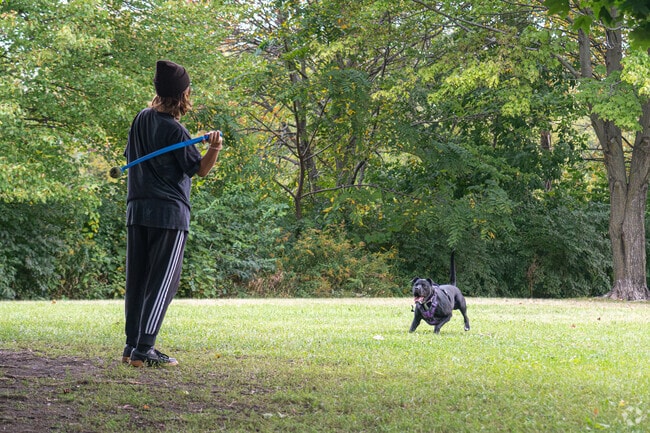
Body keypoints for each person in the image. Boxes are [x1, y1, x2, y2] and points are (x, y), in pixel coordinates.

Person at [121, 60, 223, 367]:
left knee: (137, 280)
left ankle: (131, 346)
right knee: (164, 280)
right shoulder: (177, 131)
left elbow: (133, 155)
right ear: (184, 93)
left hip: (137, 209)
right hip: (168, 215)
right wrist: (214, 147)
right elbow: (199, 169)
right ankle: (144, 350)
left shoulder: (141, 119)